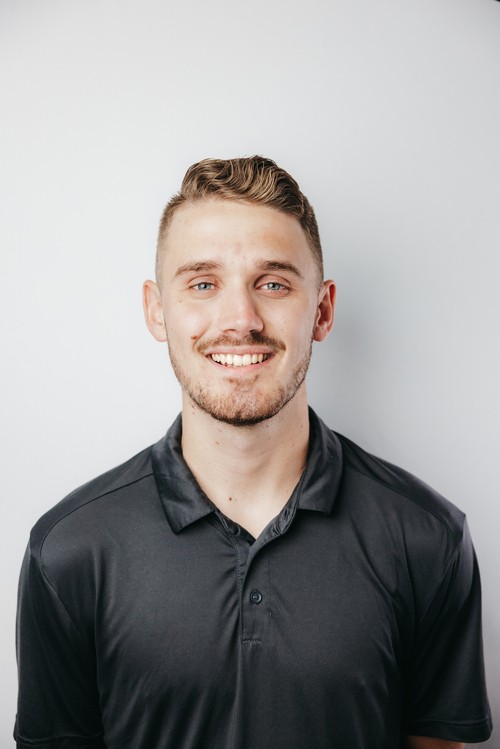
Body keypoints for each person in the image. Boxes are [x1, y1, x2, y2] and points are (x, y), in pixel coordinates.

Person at [15, 156, 492, 749]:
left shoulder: (428, 539)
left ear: (322, 310)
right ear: (157, 310)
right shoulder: (68, 551)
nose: (240, 320)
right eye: (203, 283)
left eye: (273, 283)